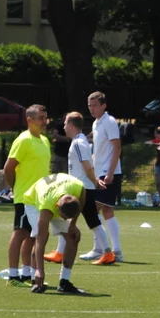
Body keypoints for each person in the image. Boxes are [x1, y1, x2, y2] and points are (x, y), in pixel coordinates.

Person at [46, 112, 108, 265]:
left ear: (72, 125)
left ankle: (107, 253)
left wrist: (94, 181)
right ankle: (60, 252)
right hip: (81, 187)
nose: (64, 127)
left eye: (66, 124)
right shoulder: (78, 141)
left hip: (81, 188)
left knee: (73, 217)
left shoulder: (79, 143)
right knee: (89, 220)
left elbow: (86, 165)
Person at [3, 105, 52, 286]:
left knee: (34, 235)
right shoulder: (23, 140)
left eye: (45, 117)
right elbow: (9, 168)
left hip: (41, 197)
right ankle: (13, 275)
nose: (44, 121)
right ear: (29, 120)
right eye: (40, 117)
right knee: (20, 233)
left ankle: (27, 273)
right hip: (25, 197)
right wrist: (16, 188)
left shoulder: (45, 141)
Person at [26, 173, 87, 294]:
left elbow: (82, 200)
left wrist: (73, 223)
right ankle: (35, 279)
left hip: (57, 192)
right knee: (43, 235)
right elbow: (40, 239)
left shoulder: (78, 187)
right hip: (33, 202)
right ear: (57, 207)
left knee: (74, 236)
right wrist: (40, 270)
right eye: (63, 217)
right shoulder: (46, 206)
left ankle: (64, 282)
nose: (64, 220)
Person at [86, 91, 124, 262]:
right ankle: (115, 251)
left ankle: (101, 248)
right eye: (89, 105)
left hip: (109, 172)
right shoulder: (96, 124)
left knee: (92, 209)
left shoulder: (109, 122)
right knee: (106, 209)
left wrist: (109, 173)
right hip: (99, 172)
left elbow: (117, 147)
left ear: (103, 106)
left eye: (94, 105)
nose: (91, 109)